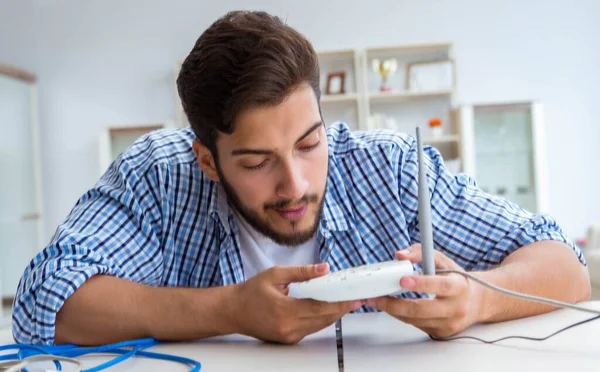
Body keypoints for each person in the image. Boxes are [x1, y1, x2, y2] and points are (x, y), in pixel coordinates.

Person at [12, 10, 590, 346]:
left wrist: (477, 302)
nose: (295, 184)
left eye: (309, 144)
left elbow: (567, 268)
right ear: (208, 160)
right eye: (257, 161)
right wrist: (230, 310)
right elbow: (43, 302)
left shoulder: (387, 167)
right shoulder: (159, 175)